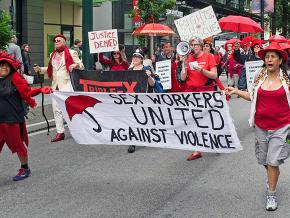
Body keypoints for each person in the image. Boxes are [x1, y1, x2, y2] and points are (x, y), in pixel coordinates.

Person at [225, 42, 290, 211]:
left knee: (273, 160)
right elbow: (252, 96)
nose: (269, 59)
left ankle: (271, 194)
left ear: (280, 60)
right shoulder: (259, 76)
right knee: (263, 160)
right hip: (261, 126)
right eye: (267, 57)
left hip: (282, 127)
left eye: (273, 57)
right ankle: (272, 174)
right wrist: (236, 91)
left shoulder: (287, 78)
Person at [0, 51, 51, 181]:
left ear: (11, 67)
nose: (4, 67)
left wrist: (40, 90)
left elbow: (27, 93)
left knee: (18, 145)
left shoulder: (15, 78)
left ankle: (25, 168)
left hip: (11, 119)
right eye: (1, 65)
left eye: (6, 65)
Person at [33, 34, 84, 142]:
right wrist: (40, 69)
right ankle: (60, 132)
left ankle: (77, 129)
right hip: (55, 86)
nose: (56, 42)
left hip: (67, 85)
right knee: (56, 110)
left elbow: (81, 65)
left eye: (59, 40)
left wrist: (75, 65)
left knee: (70, 109)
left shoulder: (71, 52)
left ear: (64, 42)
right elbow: (51, 69)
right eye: (55, 40)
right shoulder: (53, 54)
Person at [179, 37, 218, 161]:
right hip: (192, 93)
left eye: (196, 44)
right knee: (194, 120)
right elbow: (183, 78)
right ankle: (197, 149)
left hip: (206, 92)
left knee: (208, 120)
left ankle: (215, 141)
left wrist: (201, 70)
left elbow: (214, 75)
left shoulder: (208, 57)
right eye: (192, 44)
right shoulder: (188, 57)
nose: (193, 46)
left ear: (201, 46)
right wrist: (184, 64)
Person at [127, 49, 156, 153]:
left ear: (141, 59)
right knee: (133, 120)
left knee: (143, 119)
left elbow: (152, 84)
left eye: (137, 56)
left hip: (144, 99)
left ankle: (147, 136)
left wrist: (149, 76)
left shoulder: (146, 69)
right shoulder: (129, 70)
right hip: (132, 99)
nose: (134, 58)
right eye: (133, 56)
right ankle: (133, 142)